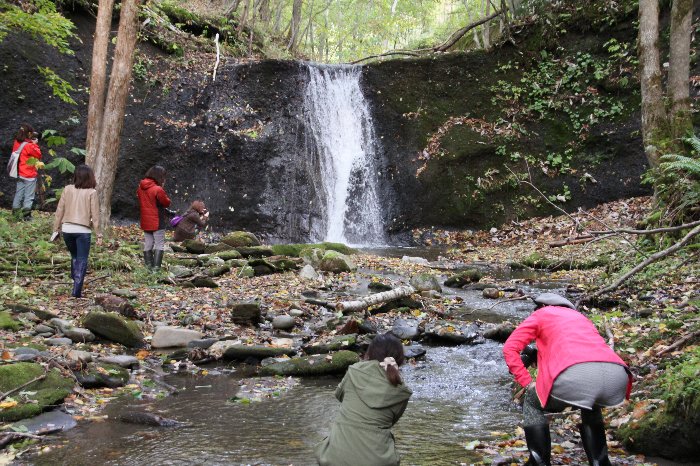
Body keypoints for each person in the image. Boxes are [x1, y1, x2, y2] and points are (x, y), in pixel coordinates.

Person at [502, 293, 633, 466]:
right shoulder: (581, 318)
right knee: (591, 402)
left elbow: (510, 348)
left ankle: (538, 461)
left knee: (533, 402)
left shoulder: (542, 314)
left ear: (542, 306)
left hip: (576, 375)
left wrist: (527, 382)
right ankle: (600, 462)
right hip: (617, 374)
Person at [315, 333, 412, 466]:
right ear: (399, 358)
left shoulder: (354, 371)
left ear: (369, 353)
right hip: (378, 461)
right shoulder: (401, 391)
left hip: (333, 459)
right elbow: (390, 421)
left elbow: (339, 395)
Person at [52, 164, 102, 298]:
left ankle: (75, 282)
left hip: (67, 229)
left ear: (76, 176)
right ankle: (76, 291)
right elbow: (95, 215)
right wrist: (99, 234)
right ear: (90, 177)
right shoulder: (92, 192)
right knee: (82, 259)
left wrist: (55, 229)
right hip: (83, 230)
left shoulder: (67, 189)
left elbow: (59, 211)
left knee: (74, 257)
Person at [137, 165, 171, 270]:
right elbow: (166, 203)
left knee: (148, 244)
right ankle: (156, 270)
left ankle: (148, 269)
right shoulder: (158, 189)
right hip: (157, 220)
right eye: (163, 176)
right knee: (159, 244)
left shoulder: (140, 188)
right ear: (159, 176)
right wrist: (162, 188)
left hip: (145, 221)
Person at [11, 123, 42, 220]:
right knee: (29, 195)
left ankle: (15, 214)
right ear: (29, 133)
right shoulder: (29, 146)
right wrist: (34, 144)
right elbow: (38, 155)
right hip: (29, 174)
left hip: (19, 173)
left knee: (19, 193)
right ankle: (27, 216)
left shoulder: (16, 142)